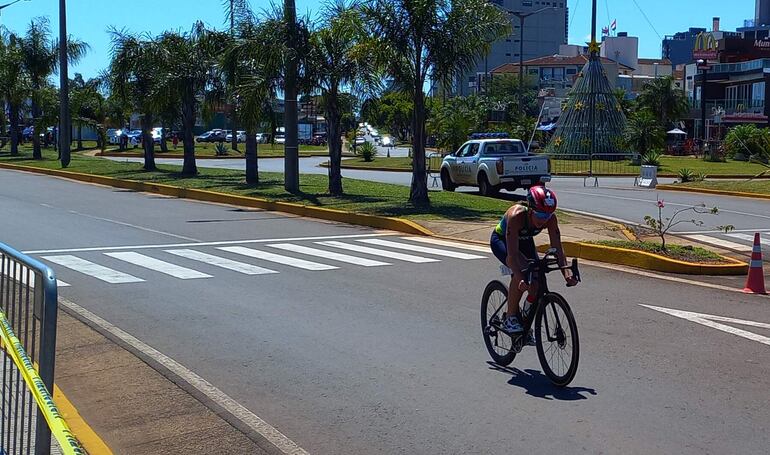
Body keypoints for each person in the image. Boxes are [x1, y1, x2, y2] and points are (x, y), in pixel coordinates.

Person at [490, 185, 577, 336]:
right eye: (541, 215)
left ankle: (525, 318)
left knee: (537, 280)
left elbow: (558, 249)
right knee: (522, 272)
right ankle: (510, 317)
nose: (544, 220)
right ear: (530, 209)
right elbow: (512, 256)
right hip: (502, 241)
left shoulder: (550, 219)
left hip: (525, 241)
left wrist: (567, 273)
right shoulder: (516, 216)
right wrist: (519, 278)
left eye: (548, 216)